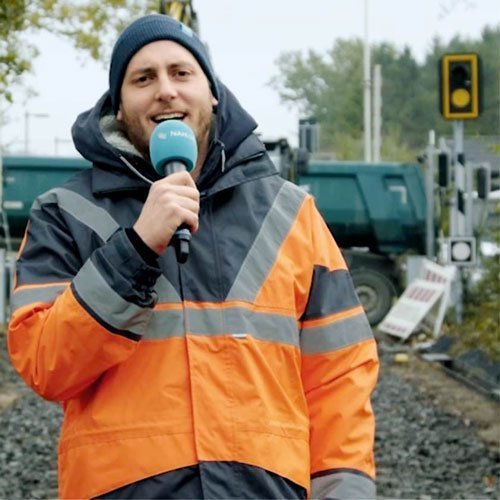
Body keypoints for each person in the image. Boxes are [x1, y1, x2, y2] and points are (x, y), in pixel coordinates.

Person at [8, 14, 379, 500]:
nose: (165, 90)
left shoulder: (290, 213)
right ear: (119, 108)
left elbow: (340, 373)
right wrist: (135, 249)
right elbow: (45, 365)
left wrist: (345, 490)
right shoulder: (65, 213)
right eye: (143, 78)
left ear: (213, 92)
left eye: (182, 73)